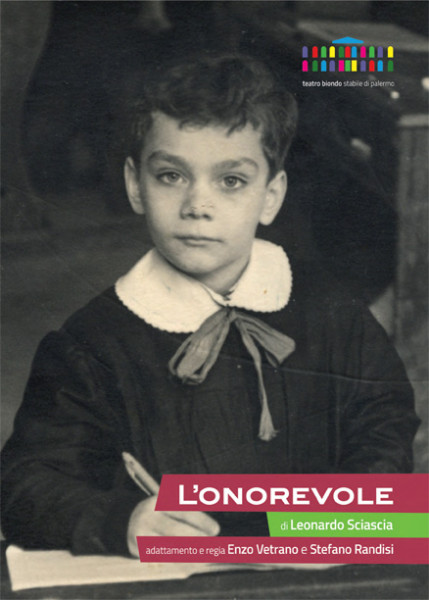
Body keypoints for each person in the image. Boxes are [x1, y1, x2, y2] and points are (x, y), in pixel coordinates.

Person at [1, 54, 419, 558]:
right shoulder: (89, 344)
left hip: (317, 563)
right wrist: (120, 521)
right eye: (171, 176)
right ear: (135, 186)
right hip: (168, 576)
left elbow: (385, 421)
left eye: (231, 181)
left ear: (271, 196)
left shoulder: (335, 315)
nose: (198, 205)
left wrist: (351, 509)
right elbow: (26, 483)